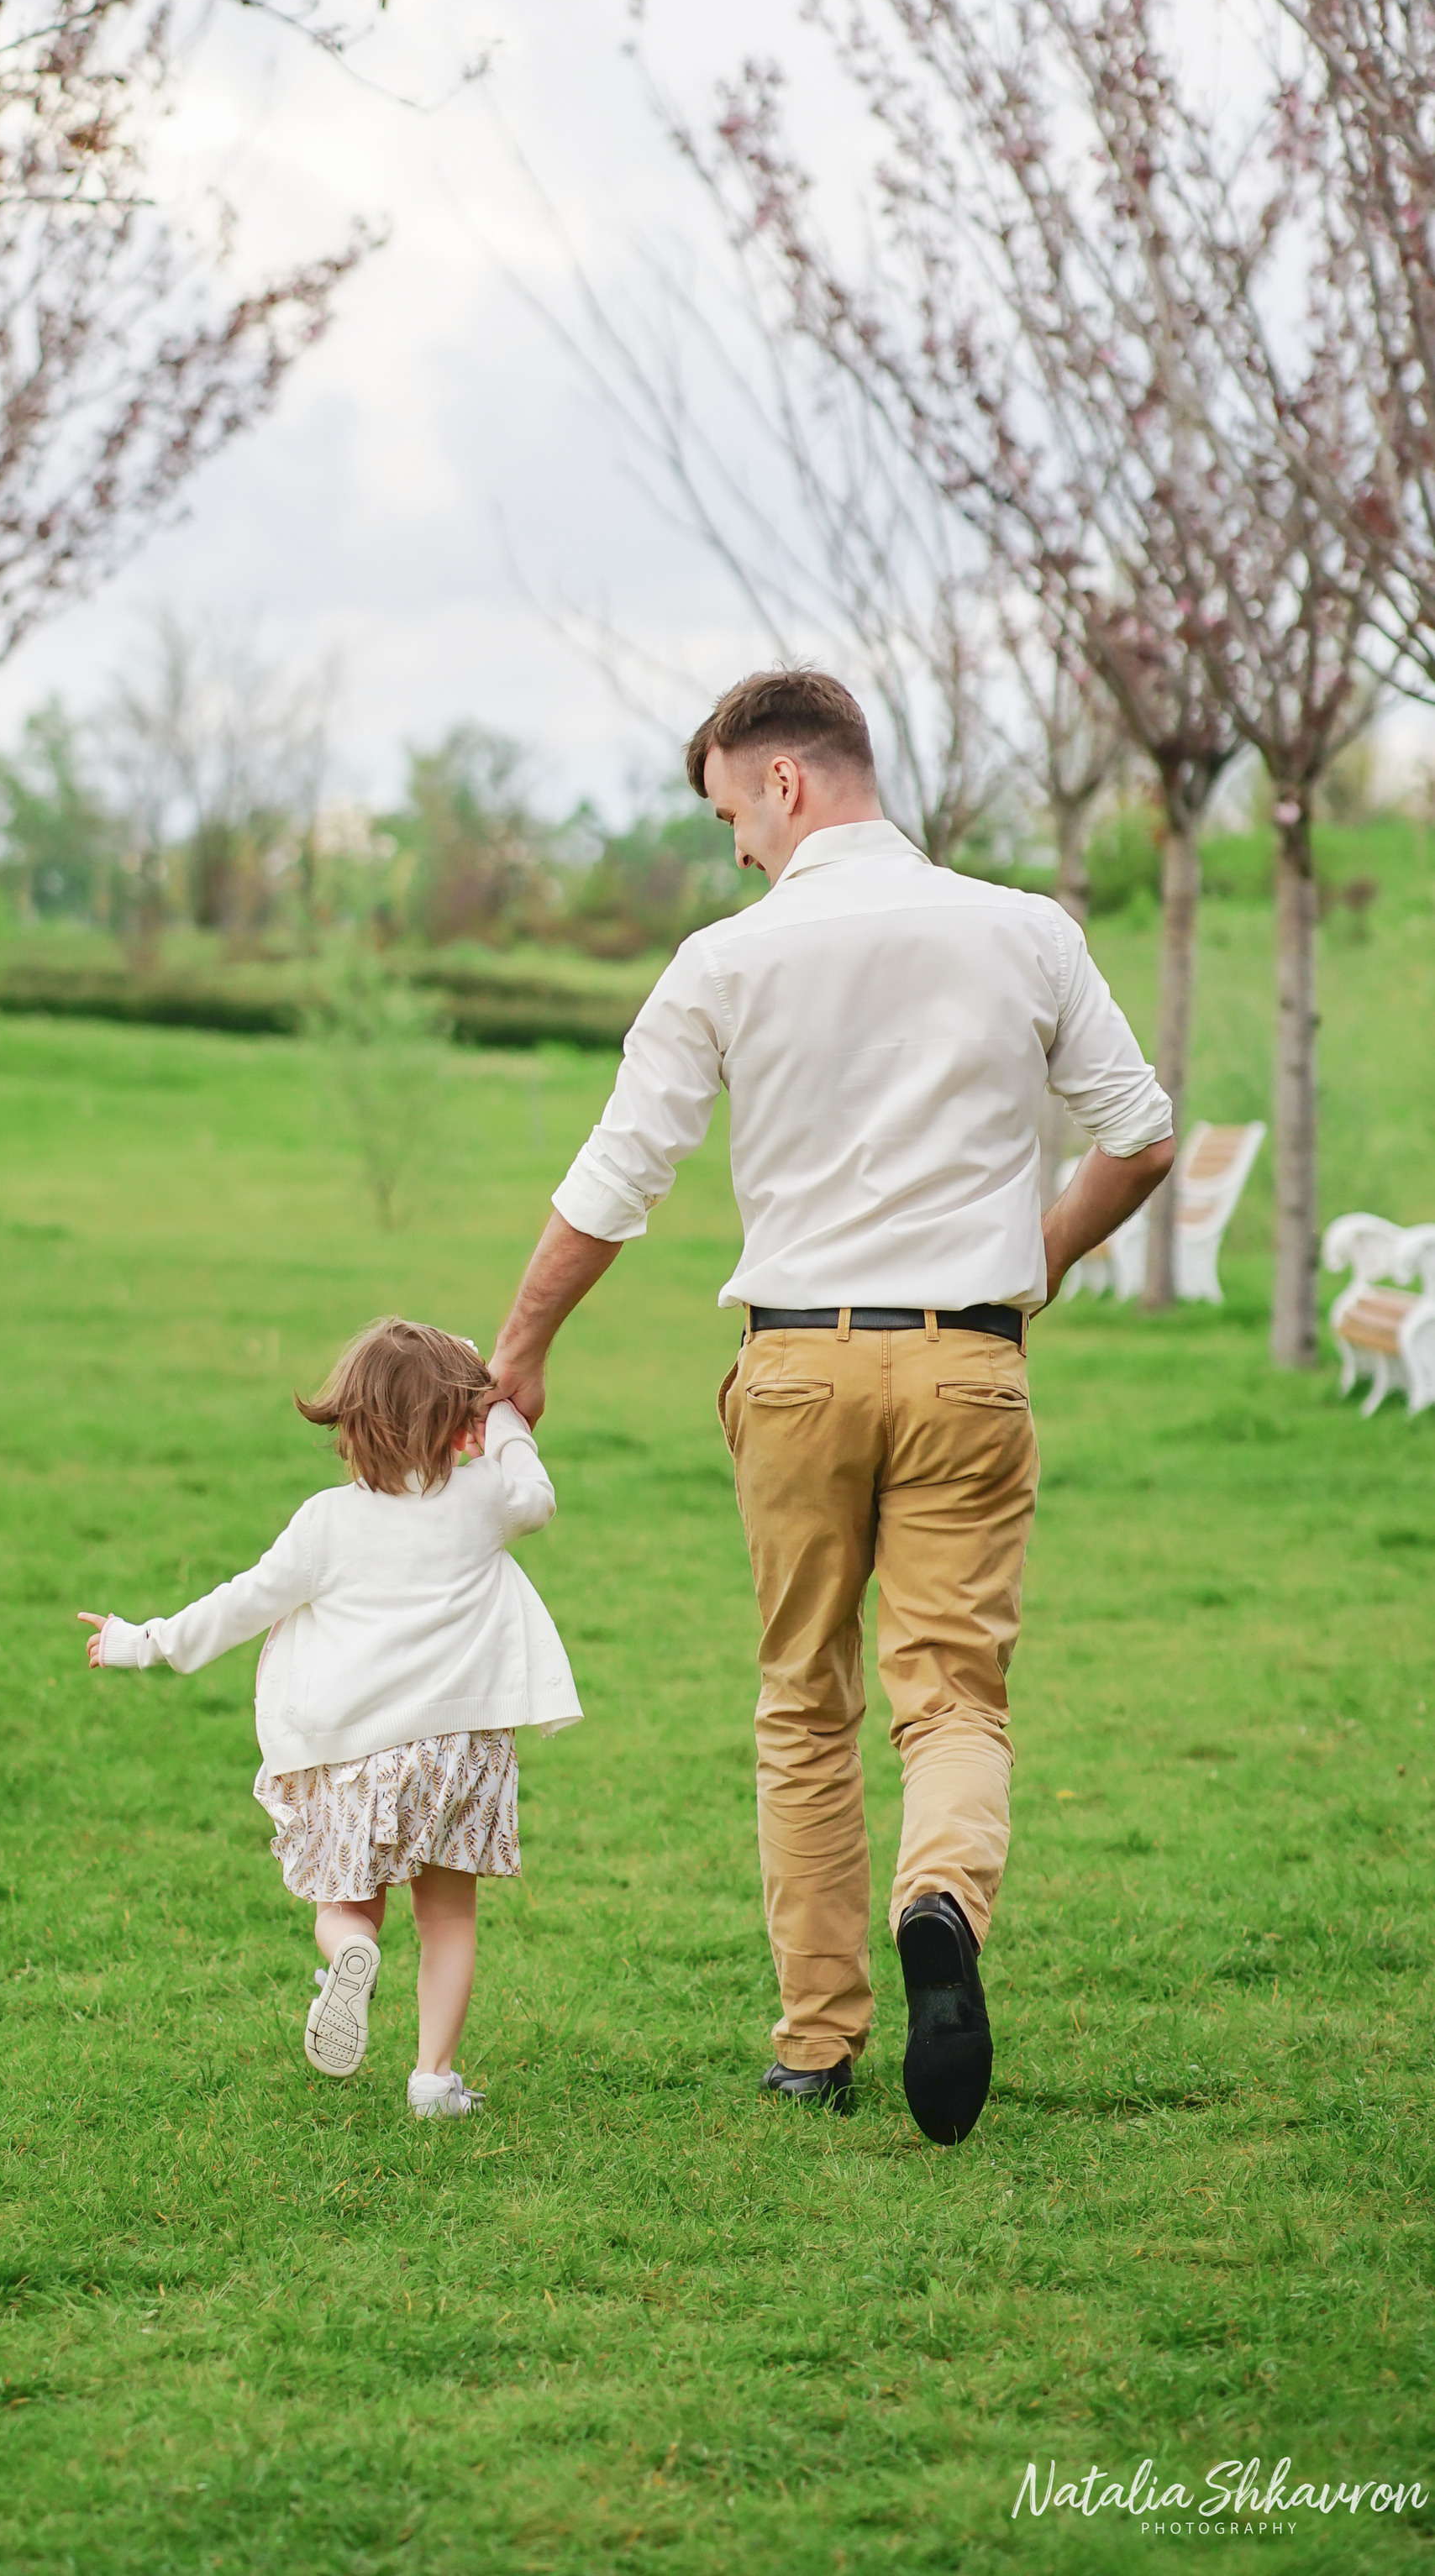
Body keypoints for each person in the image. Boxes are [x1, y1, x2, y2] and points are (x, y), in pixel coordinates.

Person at [487, 668, 1175, 2146]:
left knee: (805, 1699)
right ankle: (938, 1904)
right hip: (967, 1360)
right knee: (953, 1697)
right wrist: (1025, 1266)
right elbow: (1141, 1135)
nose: (737, 846)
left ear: (785, 781)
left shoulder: (721, 961)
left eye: (734, 809)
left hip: (793, 1366)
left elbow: (617, 1179)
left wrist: (524, 1342)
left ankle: (815, 2044)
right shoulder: (1025, 930)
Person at [82, 1315, 581, 2120]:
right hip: (461, 1751)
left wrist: (141, 1642)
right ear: (460, 1423)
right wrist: (508, 1424)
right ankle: (433, 2081)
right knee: (447, 1915)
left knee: (346, 1902)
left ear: (350, 1424)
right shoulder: (482, 1499)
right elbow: (538, 1496)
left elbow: (239, 1604)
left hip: (355, 1755)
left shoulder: (326, 1522)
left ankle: (350, 1953)